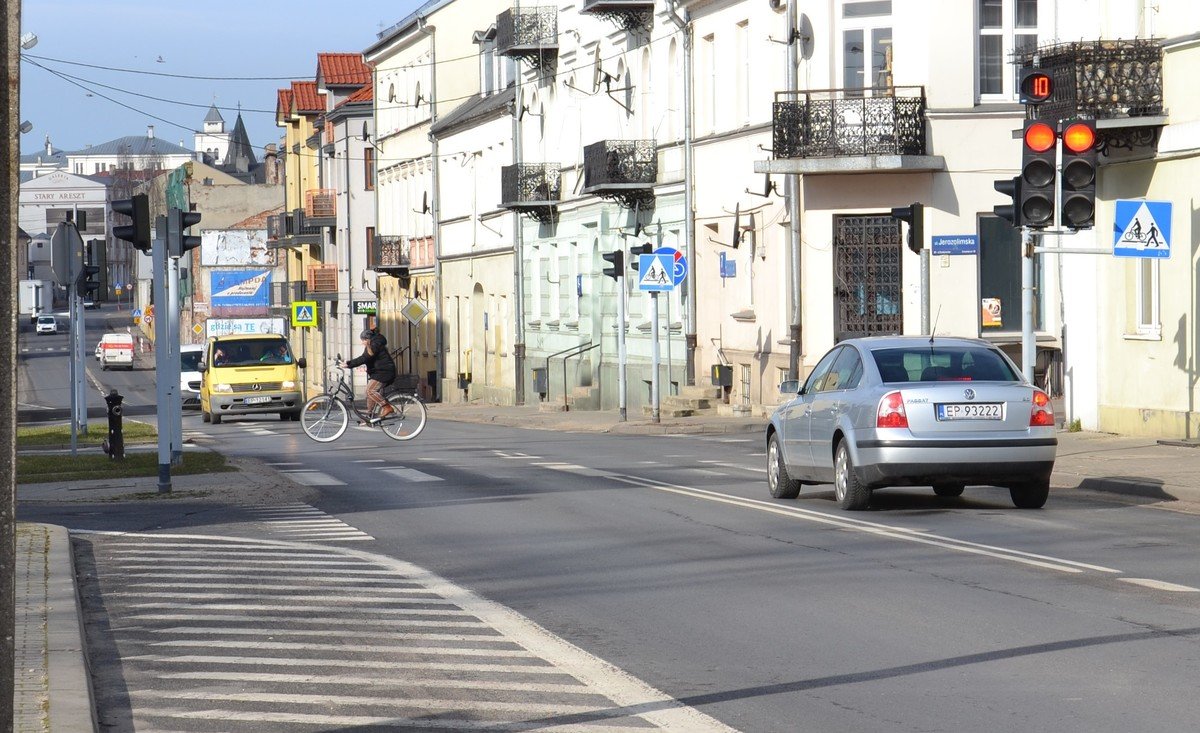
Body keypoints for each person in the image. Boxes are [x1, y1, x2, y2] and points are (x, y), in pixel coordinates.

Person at [345, 329, 397, 421]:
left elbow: (364, 358)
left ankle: (386, 407)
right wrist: (349, 363)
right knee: (370, 393)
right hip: (379, 372)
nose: (362, 343)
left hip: (384, 373)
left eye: (363, 340)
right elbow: (363, 358)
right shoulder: (373, 345)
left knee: (370, 391)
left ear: (367, 339)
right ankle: (370, 417)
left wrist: (349, 364)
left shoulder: (374, 345)